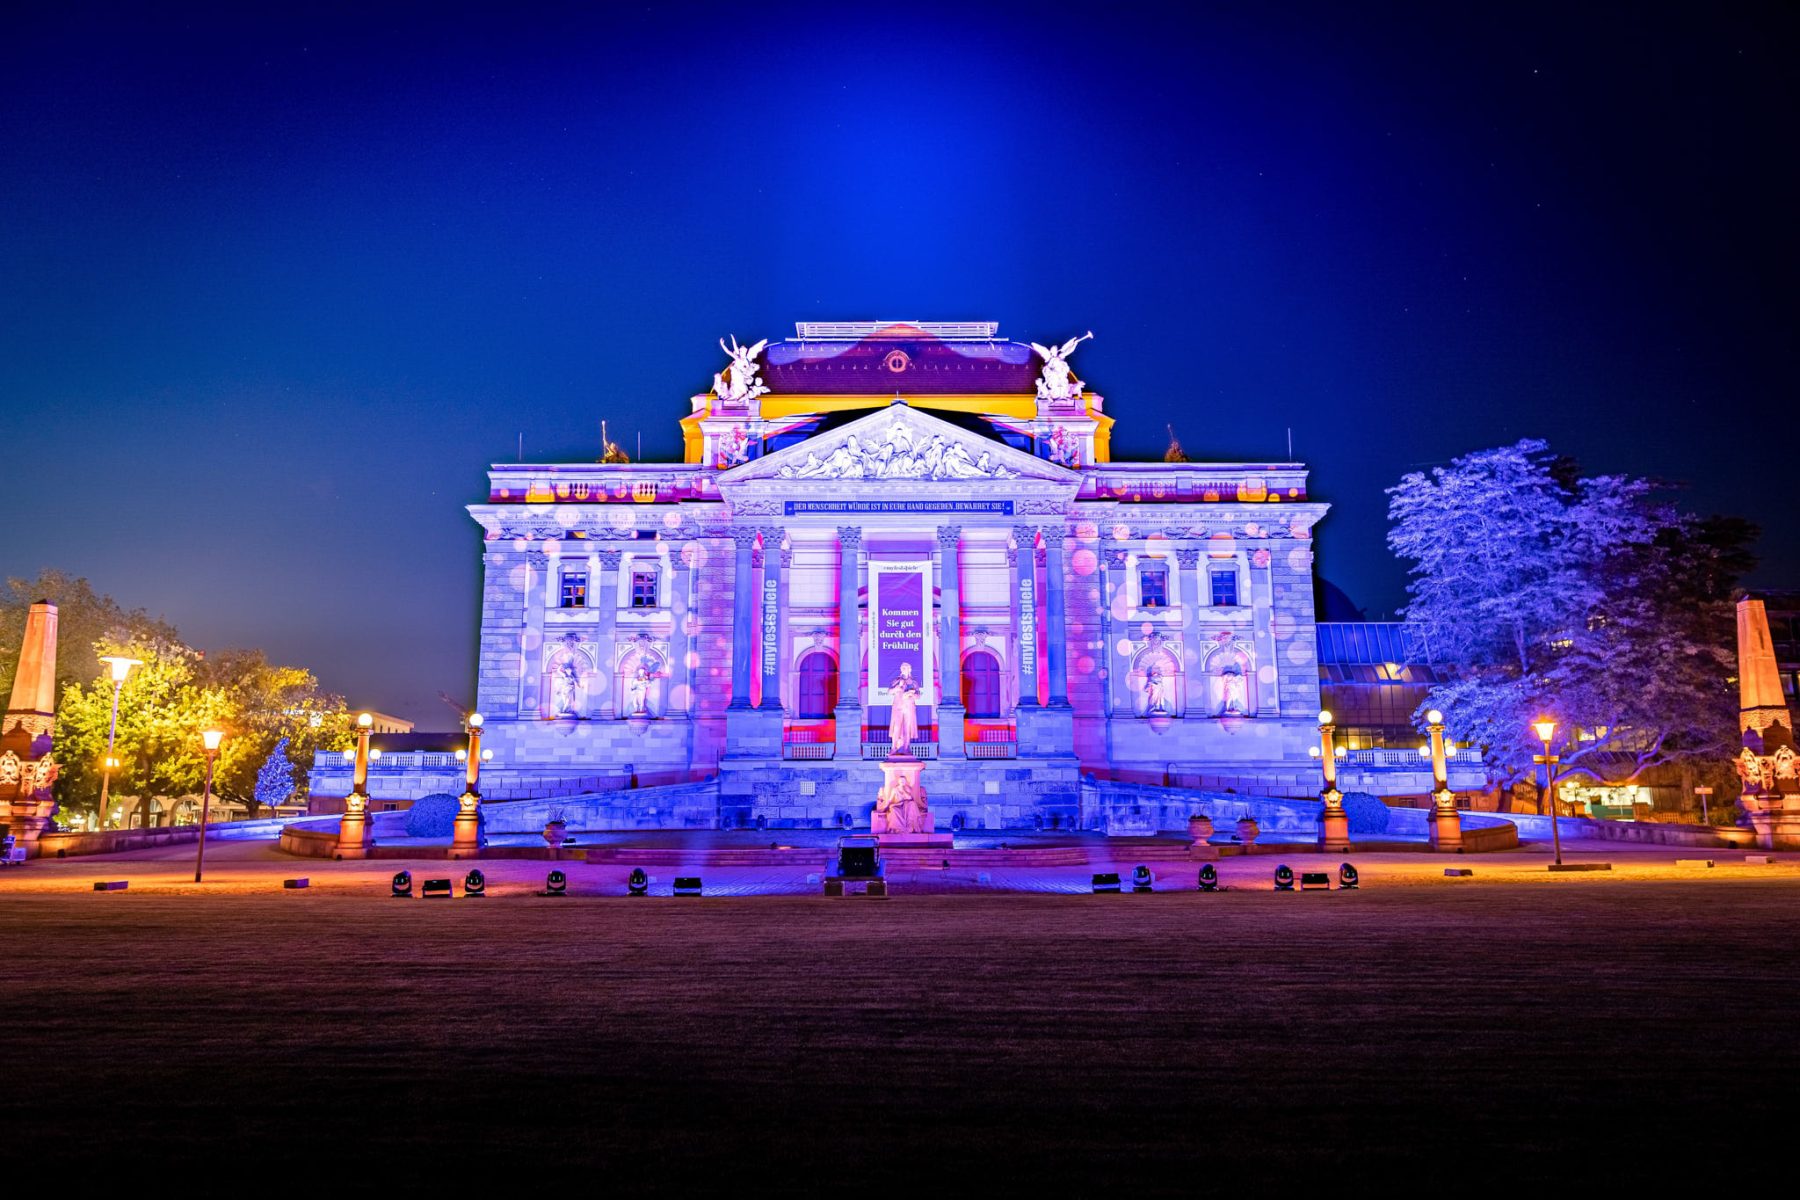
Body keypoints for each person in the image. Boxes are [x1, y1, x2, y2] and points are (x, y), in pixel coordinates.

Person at [886, 662, 921, 755]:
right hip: (898, 706)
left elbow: (918, 695)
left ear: (910, 669)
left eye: (905, 667)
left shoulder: (914, 682)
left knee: (907, 728)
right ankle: (893, 748)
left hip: (909, 707)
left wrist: (911, 693)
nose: (903, 669)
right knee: (896, 727)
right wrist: (897, 688)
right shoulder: (896, 680)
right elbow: (889, 691)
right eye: (902, 667)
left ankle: (906, 748)